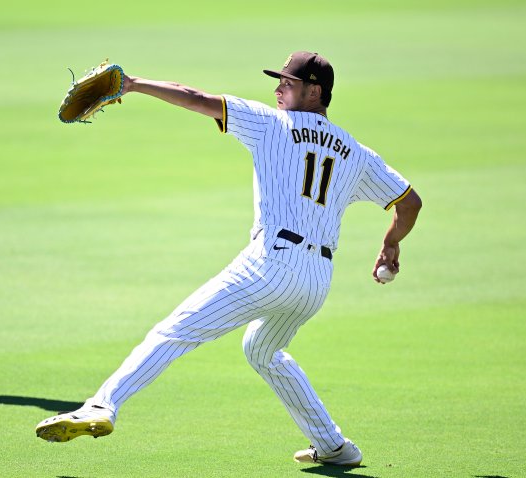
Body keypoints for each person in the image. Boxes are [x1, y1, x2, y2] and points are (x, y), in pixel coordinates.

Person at [35, 51, 422, 466]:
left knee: (176, 330)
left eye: (287, 83)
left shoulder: (271, 123)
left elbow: (193, 96)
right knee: (262, 350)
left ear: (315, 91)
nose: (277, 89)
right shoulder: (355, 152)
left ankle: (101, 406)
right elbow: (410, 202)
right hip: (317, 281)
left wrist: (133, 84)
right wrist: (391, 243)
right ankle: (333, 447)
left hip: (270, 263)